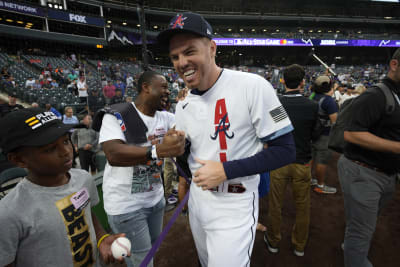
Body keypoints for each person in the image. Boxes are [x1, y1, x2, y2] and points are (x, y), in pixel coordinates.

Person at [157, 12, 295, 267]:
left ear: (212, 48)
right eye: (175, 57)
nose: (181, 62)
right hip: (198, 200)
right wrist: (175, 149)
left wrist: (226, 170)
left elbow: (286, 150)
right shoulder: (183, 104)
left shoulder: (254, 86)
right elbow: (190, 157)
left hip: (236, 201)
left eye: (189, 52)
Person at [0, 108, 128, 266]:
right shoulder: (8, 213)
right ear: (19, 160)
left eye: (66, 141)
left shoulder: (83, 179)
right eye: (50, 149)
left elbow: (88, 213)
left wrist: (101, 238)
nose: (66, 151)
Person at [97, 70, 185, 267]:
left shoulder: (166, 118)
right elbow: (113, 154)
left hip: (155, 199)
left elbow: (190, 128)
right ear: (146, 87)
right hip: (127, 206)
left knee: (150, 248)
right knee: (142, 259)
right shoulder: (116, 115)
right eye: (162, 86)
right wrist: (156, 150)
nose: (167, 91)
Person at [338, 48, 400, 267]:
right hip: (363, 170)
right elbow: (351, 133)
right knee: (362, 230)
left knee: (365, 221)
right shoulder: (375, 94)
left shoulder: (396, 95)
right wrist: (397, 147)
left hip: (386, 174)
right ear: (394, 65)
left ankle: (352, 246)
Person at [265, 64, 319, 257]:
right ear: (303, 82)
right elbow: (316, 135)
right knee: (303, 205)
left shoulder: (278, 104)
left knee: (275, 204)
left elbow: (273, 133)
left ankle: (273, 241)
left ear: (282, 81)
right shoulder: (312, 106)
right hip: (302, 161)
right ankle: (299, 245)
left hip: (279, 161)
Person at [310, 75, 338, 194]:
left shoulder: (312, 97)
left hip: (311, 132)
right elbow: (335, 122)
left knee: (311, 158)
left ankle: (310, 179)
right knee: (322, 161)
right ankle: (320, 186)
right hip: (324, 135)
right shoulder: (328, 101)